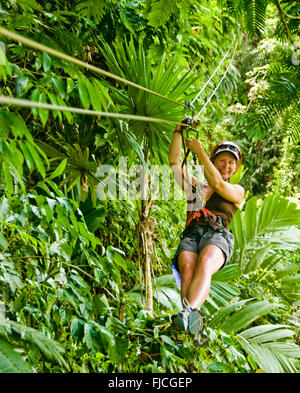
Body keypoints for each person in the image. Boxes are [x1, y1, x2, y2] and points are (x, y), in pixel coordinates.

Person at [168, 118, 244, 346]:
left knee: (205, 263)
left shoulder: (236, 190)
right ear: (214, 161)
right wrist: (178, 132)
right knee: (188, 271)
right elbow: (174, 162)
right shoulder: (197, 188)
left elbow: (219, 184)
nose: (227, 166)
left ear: (236, 168)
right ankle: (189, 322)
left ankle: (189, 311)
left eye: (232, 163)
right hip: (192, 233)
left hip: (216, 234)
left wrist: (200, 151)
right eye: (222, 160)